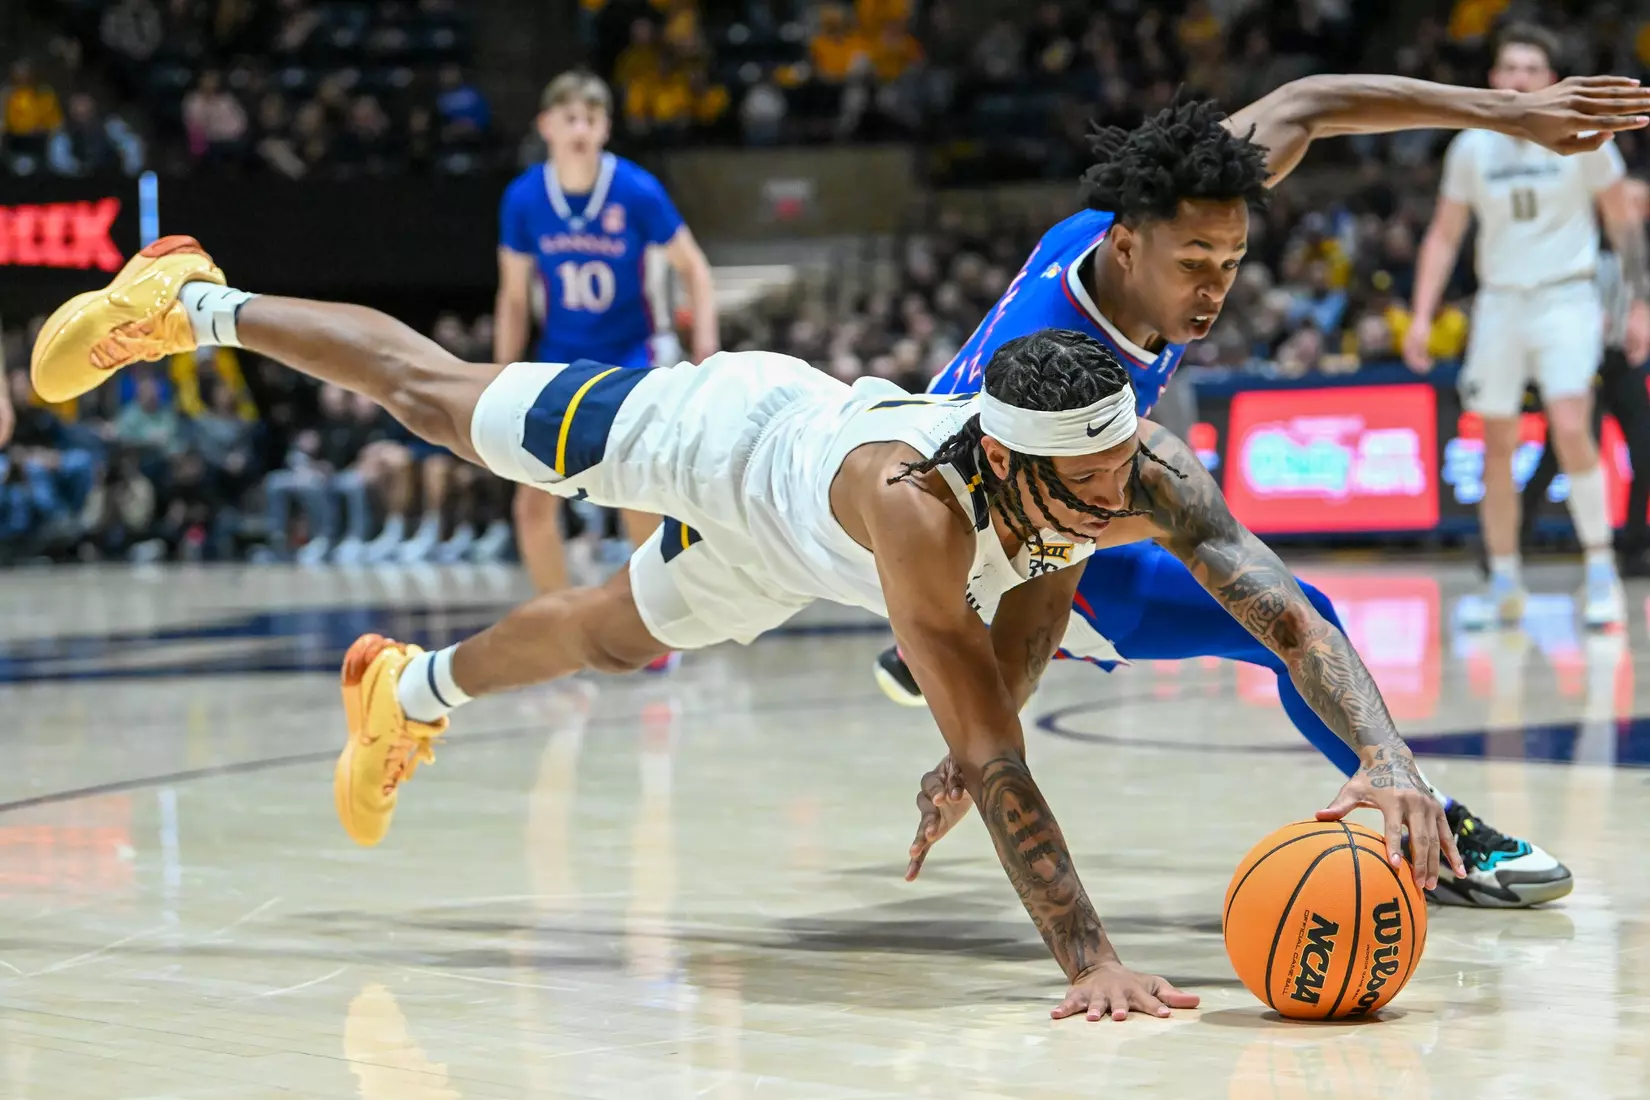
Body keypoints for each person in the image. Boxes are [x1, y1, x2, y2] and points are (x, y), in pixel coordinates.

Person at [34, 241, 1462, 1022]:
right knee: (435, 401)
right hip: (728, 442)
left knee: (607, 634)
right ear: (1013, 463)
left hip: (798, 563)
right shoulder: (918, 511)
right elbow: (995, 743)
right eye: (1084, 489)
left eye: (1121, 475)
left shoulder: (1122, 463)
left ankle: (411, 694)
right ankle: (193, 302)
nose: (1115, 500)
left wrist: (1388, 758)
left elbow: (1280, 606)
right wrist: (1084, 958)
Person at [887, 70, 1650, 908]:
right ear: (1128, 249)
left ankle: (1414, 808)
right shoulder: (1066, 357)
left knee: (1277, 600)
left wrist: (1509, 115)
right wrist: (973, 723)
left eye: (1232, 261)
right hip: (996, 545)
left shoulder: (1146, 211)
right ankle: (1431, 831)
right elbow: (1017, 526)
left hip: (1037, 490)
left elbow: (1308, 106)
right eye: (1195, 264)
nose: (1215, 287)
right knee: (1284, 611)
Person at [1406, 24, 1650, 630]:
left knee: (1572, 425)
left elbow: (1624, 225)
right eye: (1507, 67)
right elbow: (1443, 235)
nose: (1517, 78)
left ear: (1551, 80)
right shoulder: (1471, 147)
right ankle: (1505, 581)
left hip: (1566, 298)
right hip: (1499, 303)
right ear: (1492, 79)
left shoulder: (1587, 136)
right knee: (1496, 444)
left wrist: (1639, 305)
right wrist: (1420, 313)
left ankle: (1600, 571)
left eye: (1530, 68)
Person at [495, 71, 719, 634]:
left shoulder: (636, 190)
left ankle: (649, 626)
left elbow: (695, 269)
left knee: (636, 500)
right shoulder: (523, 198)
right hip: (558, 360)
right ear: (546, 126)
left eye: (590, 119)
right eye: (569, 118)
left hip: (632, 357)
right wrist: (499, 375)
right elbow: (514, 296)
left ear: (605, 129)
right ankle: (560, 625)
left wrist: (706, 351)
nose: (579, 130)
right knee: (531, 505)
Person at [1519, 179, 1650, 574]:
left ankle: (1632, 547)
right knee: (1557, 456)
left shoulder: (1637, 249)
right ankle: (1508, 544)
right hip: (1578, 362)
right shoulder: (1577, 238)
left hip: (1618, 360)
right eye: (1633, 203)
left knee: (1645, 449)